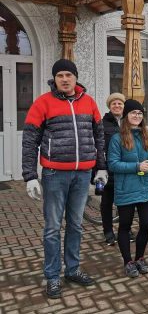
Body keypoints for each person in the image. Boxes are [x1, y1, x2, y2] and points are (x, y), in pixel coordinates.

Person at [22, 59, 106, 299]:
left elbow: (98, 136)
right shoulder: (42, 103)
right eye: (60, 75)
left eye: (69, 74)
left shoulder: (89, 103)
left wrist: (101, 167)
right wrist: (30, 175)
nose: (65, 79)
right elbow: (29, 141)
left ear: (75, 77)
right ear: (55, 79)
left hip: (82, 174)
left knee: (76, 225)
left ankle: (72, 269)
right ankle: (52, 276)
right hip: (54, 174)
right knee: (52, 228)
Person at [107, 100, 148, 278]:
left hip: (146, 188)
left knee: (146, 224)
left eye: (140, 113)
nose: (137, 116)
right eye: (133, 113)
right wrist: (136, 167)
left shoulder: (147, 135)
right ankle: (128, 261)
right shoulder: (117, 138)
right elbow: (112, 164)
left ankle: (140, 257)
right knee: (125, 226)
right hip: (126, 188)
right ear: (126, 116)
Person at [99, 92, 134, 245]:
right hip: (108, 169)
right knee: (107, 202)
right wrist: (100, 168)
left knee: (125, 201)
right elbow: (98, 147)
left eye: (120, 103)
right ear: (109, 106)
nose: (117, 106)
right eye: (114, 103)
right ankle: (108, 231)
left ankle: (125, 229)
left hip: (126, 169)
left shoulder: (129, 122)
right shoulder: (102, 123)